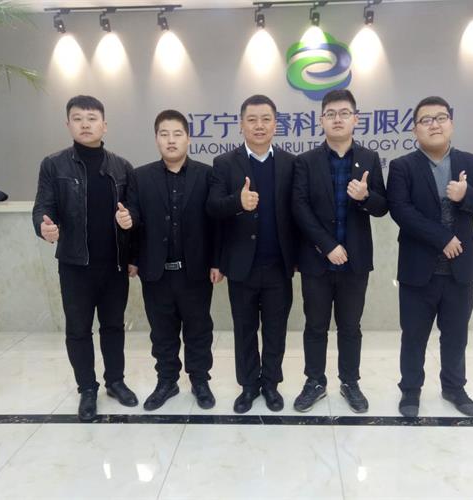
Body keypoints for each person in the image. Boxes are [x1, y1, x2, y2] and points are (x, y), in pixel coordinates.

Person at [387, 95, 473, 417]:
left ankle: (454, 388)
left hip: (459, 271)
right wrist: (443, 238)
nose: (434, 125)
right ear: (415, 129)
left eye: (440, 118)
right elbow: (401, 211)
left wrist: (466, 195)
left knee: (456, 336)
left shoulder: (472, 163)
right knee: (413, 337)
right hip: (417, 270)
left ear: (451, 123)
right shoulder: (402, 167)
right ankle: (410, 391)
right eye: (425, 120)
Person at [32, 95, 138, 422]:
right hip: (75, 265)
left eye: (92, 118)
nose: (85, 124)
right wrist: (44, 227)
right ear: (68, 125)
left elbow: (134, 213)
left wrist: (130, 224)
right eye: (78, 118)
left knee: (113, 326)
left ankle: (115, 382)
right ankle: (87, 389)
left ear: (104, 125)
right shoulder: (54, 165)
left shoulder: (122, 167)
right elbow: (43, 207)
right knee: (78, 330)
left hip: (114, 265)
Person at [116, 110, 222, 411]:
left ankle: (200, 381)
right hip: (155, 271)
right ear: (156, 139)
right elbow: (135, 218)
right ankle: (167, 381)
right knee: (162, 332)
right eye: (164, 134)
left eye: (177, 134)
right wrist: (132, 252)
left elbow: (216, 223)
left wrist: (217, 262)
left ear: (188, 138)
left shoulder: (207, 175)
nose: (171, 140)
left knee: (198, 330)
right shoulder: (140, 176)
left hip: (196, 271)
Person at [292, 89, 388, 413]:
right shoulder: (305, 161)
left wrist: (365, 197)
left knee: (350, 327)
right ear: (321, 120)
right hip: (316, 261)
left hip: (355, 263)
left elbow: (382, 206)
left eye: (344, 113)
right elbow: (299, 207)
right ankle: (314, 382)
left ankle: (350, 382)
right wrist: (327, 245)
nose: (337, 119)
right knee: (315, 326)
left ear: (355, 119)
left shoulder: (369, 159)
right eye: (330, 114)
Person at [206, 95, 297, 414]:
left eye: (266, 119)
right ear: (241, 124)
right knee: (244, 329)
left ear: (275, 124)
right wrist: (237, 202)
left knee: (275, 329)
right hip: (241, 266)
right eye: (252, 119)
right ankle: (248, 386)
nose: (259, 125)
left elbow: (298, 212)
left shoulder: (289, 163)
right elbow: (212, 208)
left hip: (279, 265)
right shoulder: (224, 163)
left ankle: (270, 384)